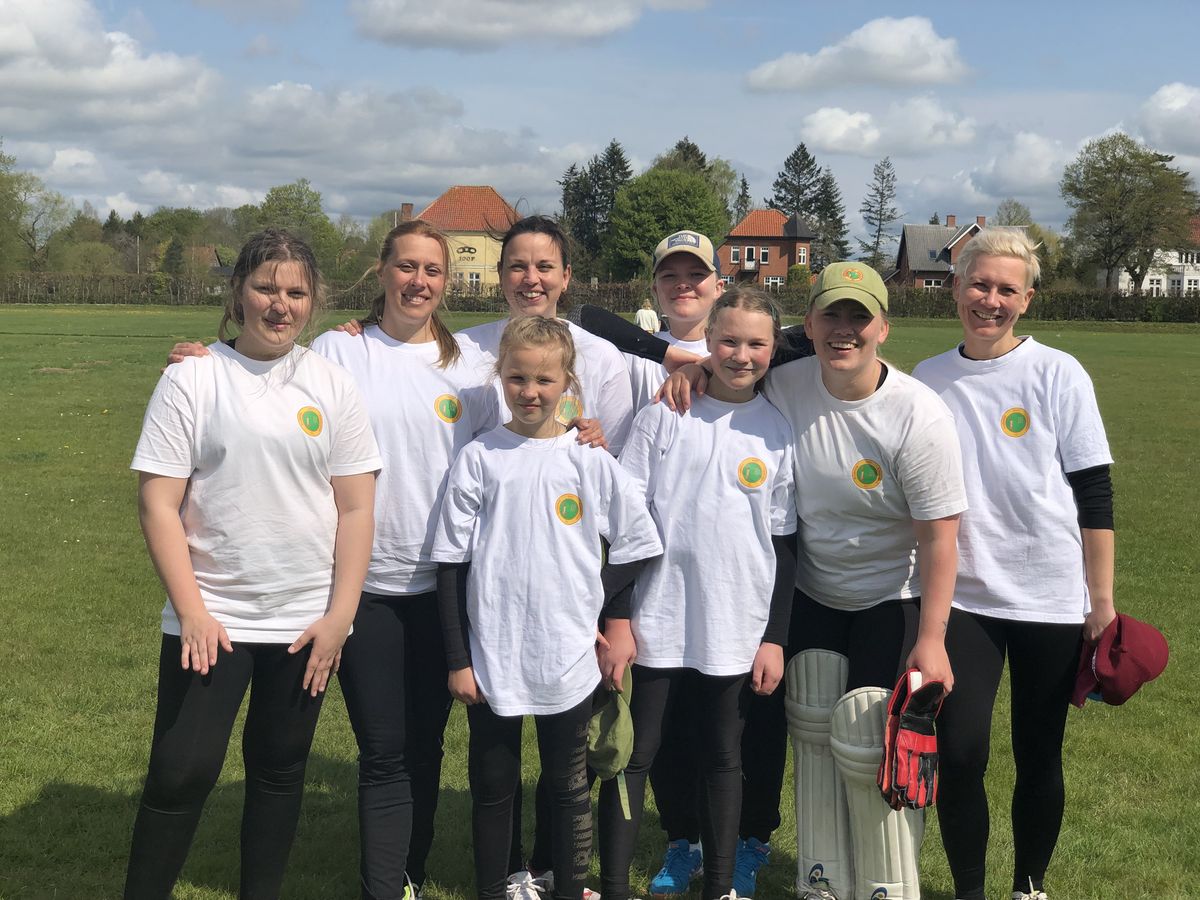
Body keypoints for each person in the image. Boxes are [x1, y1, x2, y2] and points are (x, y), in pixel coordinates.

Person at [661, 261, 966, 900]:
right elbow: (732, 371)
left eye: (860, 317)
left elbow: (941, 538)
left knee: (868, 736)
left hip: (891, 597)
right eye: (833, 315)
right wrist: (692, 368)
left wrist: (932, 639)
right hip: (810, 594)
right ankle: (820, 875)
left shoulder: (918, 416)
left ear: (884, 325)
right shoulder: (788, 382)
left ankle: (886, 881)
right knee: (808, 733)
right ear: (812, 323)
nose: (844, 330)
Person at [124, 230, 381, 899]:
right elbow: (159, 502)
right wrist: (192, 612)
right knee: (181, 771)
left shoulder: (332, 384)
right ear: (239, 291)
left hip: (304, 623)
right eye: (267, 287)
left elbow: (356, 509)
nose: (281, 304)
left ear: (313, 300)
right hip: (213, 617)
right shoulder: (193, 377)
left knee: (278, 768)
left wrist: (339, 617)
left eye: (296, 291)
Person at [912, 229, 1117, 900]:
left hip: (1049, 596)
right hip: (963, 596)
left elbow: (1094, 491)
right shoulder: (929, 379)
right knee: (962, 753)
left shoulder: (1058, 373)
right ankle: (969, 890)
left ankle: (1029, 885)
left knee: (1038, 754)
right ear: (955, 288)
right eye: (979, 285)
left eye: (1006, 289)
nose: (990, 300)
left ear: (1027, 299)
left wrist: (1102, 601)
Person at [431, 316, 662, 900]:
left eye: (543, 379)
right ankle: (500, 885)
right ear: (499, 377)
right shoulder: (481, 459)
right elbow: (450, 565)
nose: (529, 391)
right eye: (516, 378)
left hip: (567, 654)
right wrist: (459, 659)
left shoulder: (589, 461)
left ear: (567, 384)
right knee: (493, 782)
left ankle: (567, 888)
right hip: (493, 653)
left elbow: (638, 545)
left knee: (567, 784)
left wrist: (594, 596)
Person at [598, 287, 797, 900]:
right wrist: (621, 616)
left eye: (756, 343)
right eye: (729, 341)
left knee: (722, 755)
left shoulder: (778, 430)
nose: (742, 354)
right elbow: (625, 525)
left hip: (735, 625)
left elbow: (785, 546)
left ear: (773, 348)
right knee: (639, 753)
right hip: (658, 617)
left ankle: (719, 885)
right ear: (706, 344)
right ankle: (612, 884)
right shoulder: (663, 415)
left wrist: (773, 638)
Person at [456, 215, 635, 455]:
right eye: (518, 266)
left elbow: (613, 456)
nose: (531, 279)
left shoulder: (603, 357)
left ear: (565, 276)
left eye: (544, 267)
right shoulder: (462, 350)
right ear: (501, 274)